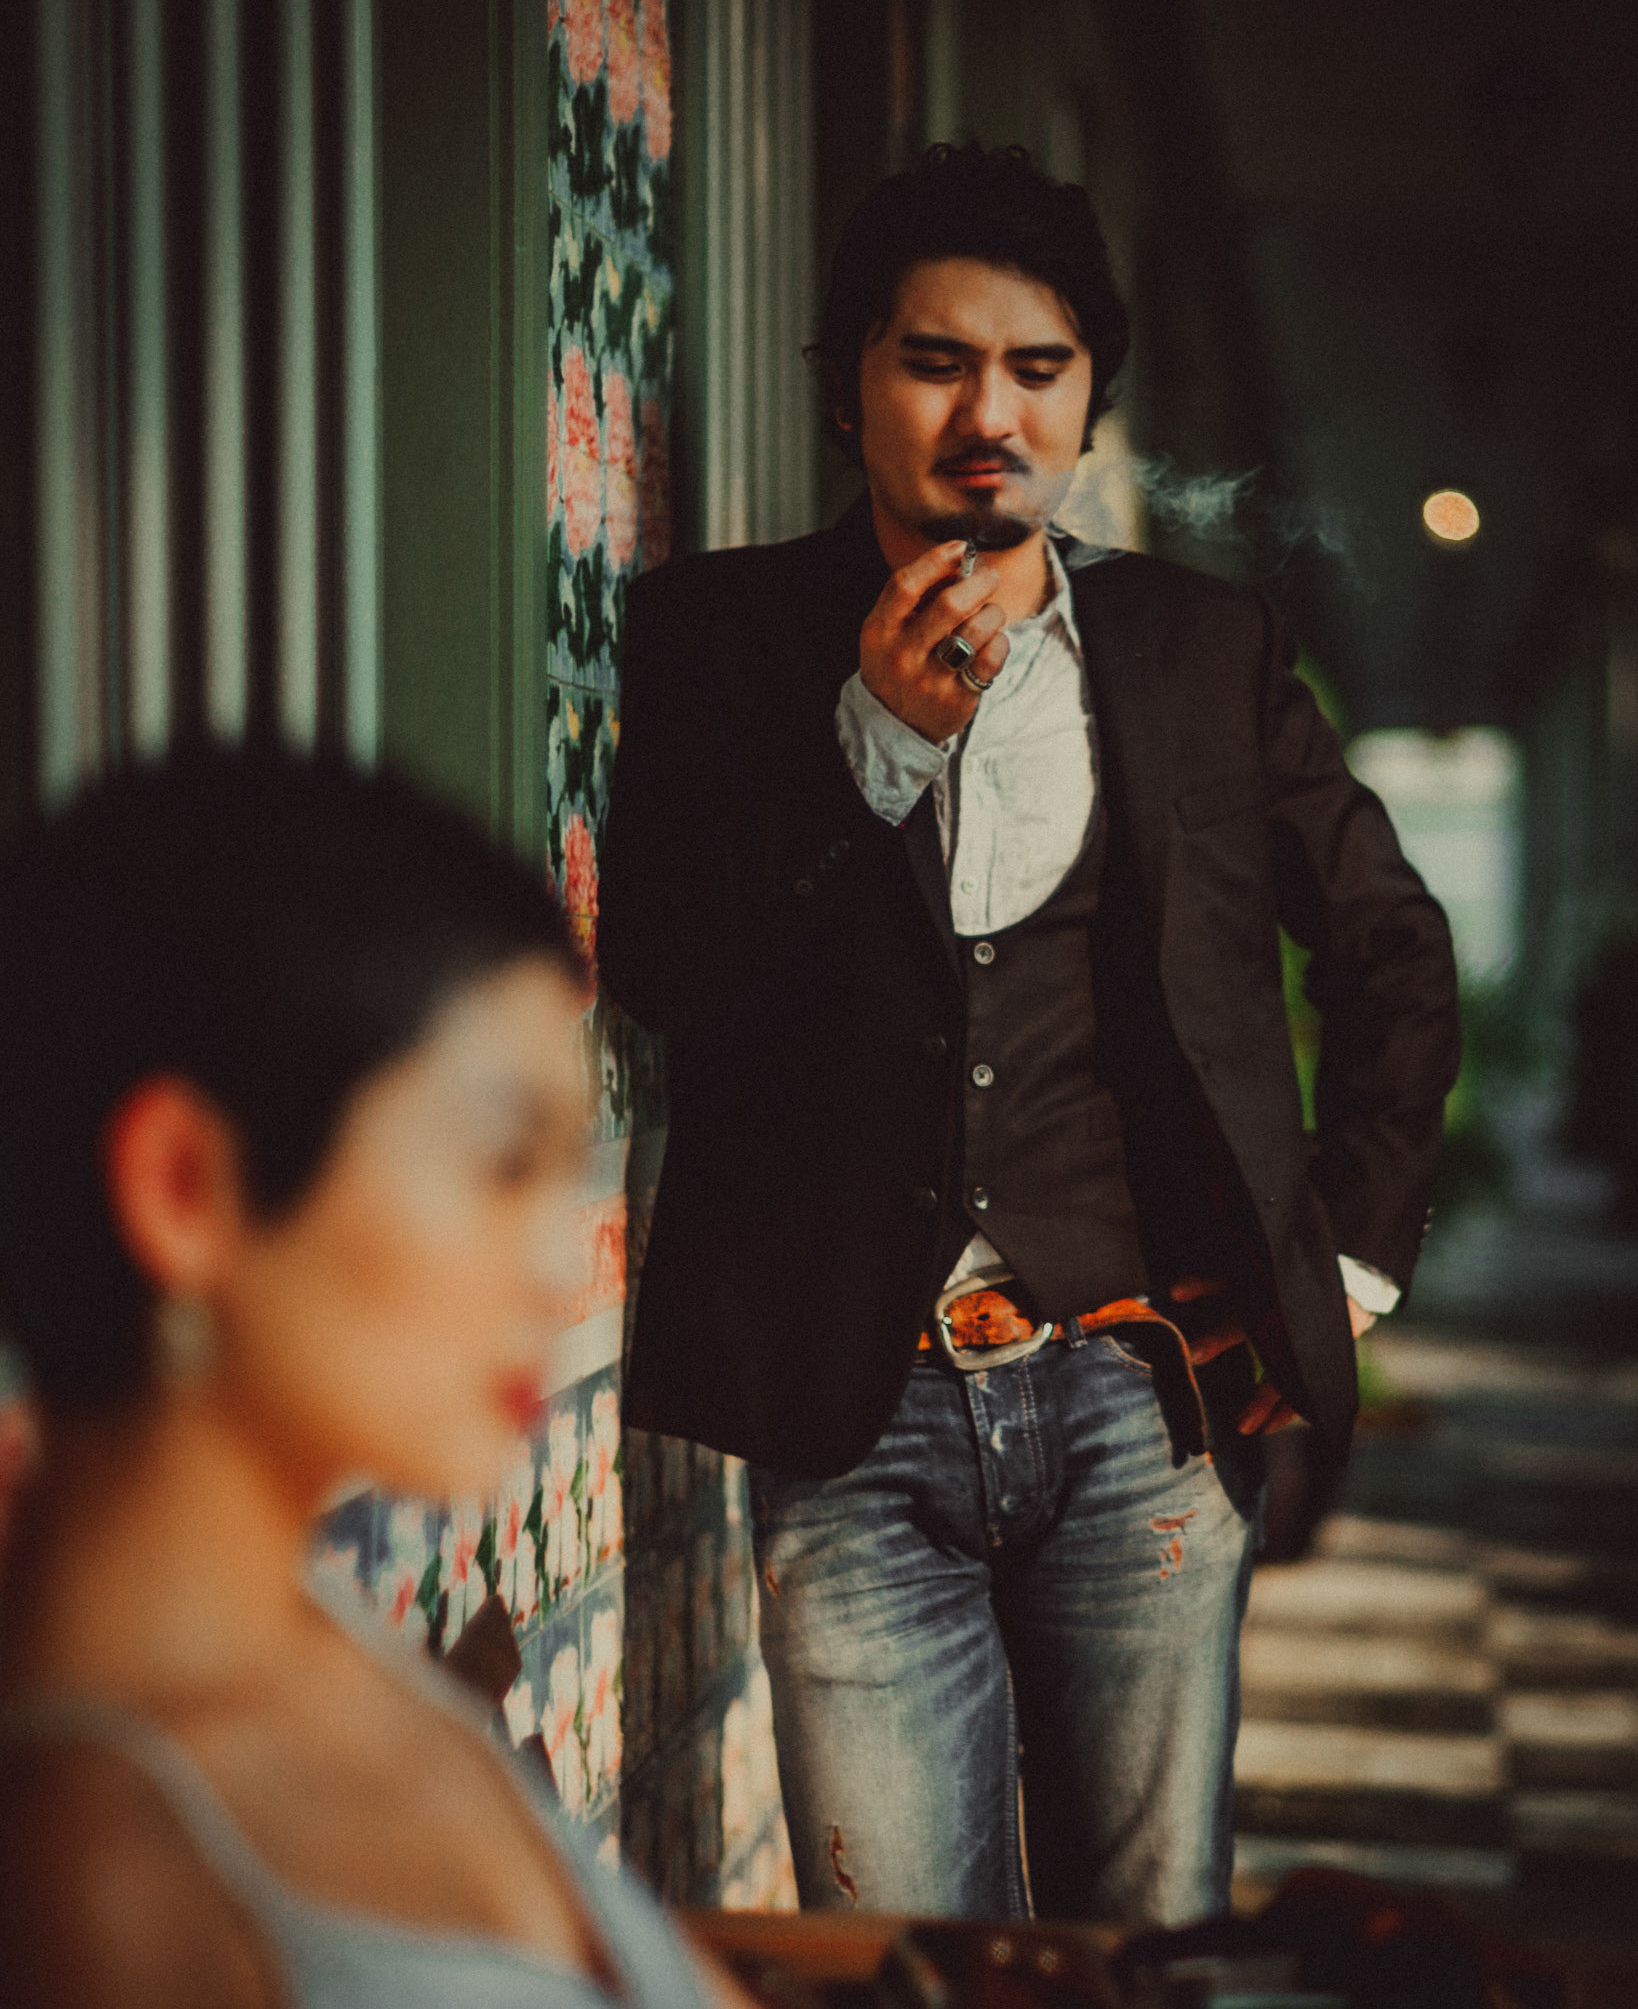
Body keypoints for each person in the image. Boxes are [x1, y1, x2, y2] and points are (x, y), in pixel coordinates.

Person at [598, 143, 1461, 1926]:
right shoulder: (718, 637)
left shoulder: (1197, 651)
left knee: (1143, 1940)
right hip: (853, 1421)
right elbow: (664, 966)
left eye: (1037, 368)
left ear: (1086, 401)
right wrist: (873, 744)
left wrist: (1348, 1254)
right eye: (933, 361)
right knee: (907, 1954)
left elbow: (1388, 940)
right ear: (847, 389)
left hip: (1141, 1400)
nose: (986, 410)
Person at [0, 743, 742, 2009]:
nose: (557, 1261)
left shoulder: (336, 1643)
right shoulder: (97, 1871)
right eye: (503, 1164)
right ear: (189, 1187)